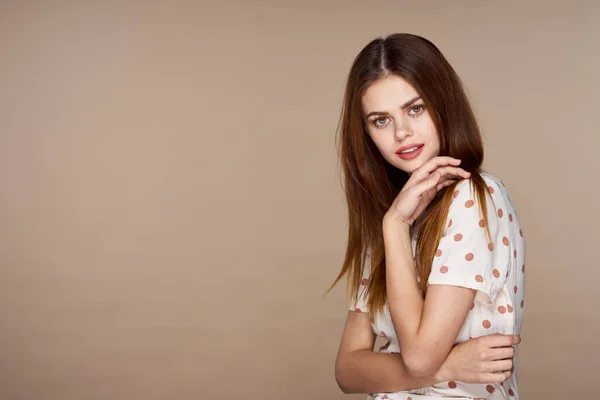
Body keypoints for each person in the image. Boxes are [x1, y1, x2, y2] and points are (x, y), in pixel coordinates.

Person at [328, 33, 526, 400]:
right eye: (380, 120)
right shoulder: (395, 217)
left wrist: (412, 366)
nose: (402, 132)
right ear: (366, 133)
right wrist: (450, 366)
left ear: (443, 104)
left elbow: (418, 359)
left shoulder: (474, 196)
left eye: (415, 108)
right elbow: (347, 370)